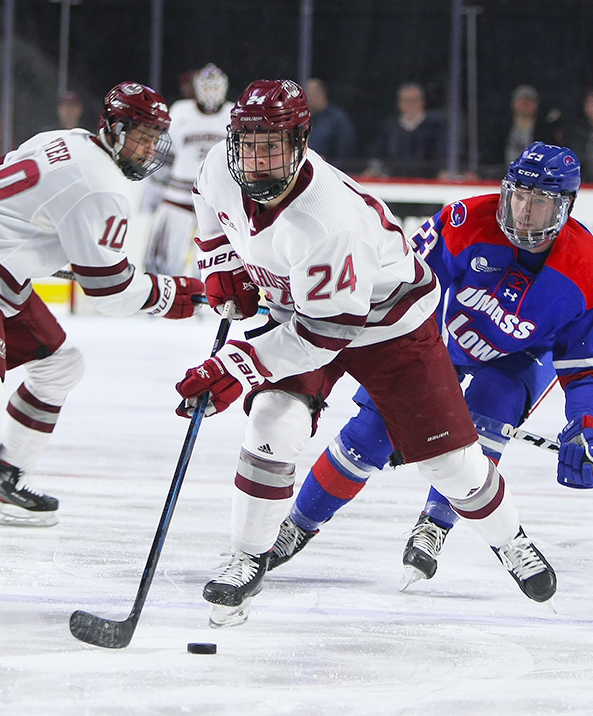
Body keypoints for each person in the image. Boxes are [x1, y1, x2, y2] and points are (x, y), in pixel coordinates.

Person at [176, 80, 557, 627]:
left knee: (450, 464)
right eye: (249, 143)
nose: (257, 160)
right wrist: (220, 265)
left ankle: (509, 540)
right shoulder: (219, 164)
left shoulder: (326, 219)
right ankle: (247, 554)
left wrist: (235, 364)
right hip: (301, 310)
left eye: (274, 145)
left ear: (302, 141)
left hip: (390, 326)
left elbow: (325, 333)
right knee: (272, 418)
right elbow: (209, 208)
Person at [267, 142, 593, 591]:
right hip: (439, 342)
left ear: (565, 207)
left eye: (540, 201)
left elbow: (590, 364)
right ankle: (297, 526)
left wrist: (588, 423)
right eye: (519, 195)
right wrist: (420, 370)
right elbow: (406, 283)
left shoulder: (589, 271)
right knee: (372, 432)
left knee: (487, 415)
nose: (524, 211)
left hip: (521, 358)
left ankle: (436, 522)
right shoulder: (465, 222)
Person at [0, 81, 204, 527]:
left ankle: (4, 483)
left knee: (61, 366)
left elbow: (0, 187)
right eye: (140, 135)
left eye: (154, 138)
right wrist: (178, 294)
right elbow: (112, 294)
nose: (147, 149)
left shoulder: (62, 140)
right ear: (112, 126)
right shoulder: (102, 186)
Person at [142, 63, 234, 276]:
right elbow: (165, 157)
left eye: (215, 88)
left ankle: (206, 298)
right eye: (207, 87)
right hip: (177, 198)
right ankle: (161, 295)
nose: (211, 93)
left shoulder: (233, 114)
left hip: (216, 201)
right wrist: (153, 192)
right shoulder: (180, 111)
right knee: (164, 257)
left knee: (212, 260)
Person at [365, 81, 447, 178]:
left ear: (422, 102)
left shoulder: (436, 126)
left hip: (429, 183)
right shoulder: (390, 128)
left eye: (414, 100)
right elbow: (378, 155)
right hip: (396, 183)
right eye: (406, 100)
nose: (410, 105)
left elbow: (444, 157)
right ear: (400, 104)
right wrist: (373, 170)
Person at [503, 84, 564, 169]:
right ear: (513, 103)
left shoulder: (545, 131)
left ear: (536, 105)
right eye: (522, 101)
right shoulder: (502, 128)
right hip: (502, 176)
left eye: (529, 101)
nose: (525, 105)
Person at [305, 77, 357, 169]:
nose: (308, 102)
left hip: (330, 173)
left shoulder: (337, 119)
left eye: (310, 96)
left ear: (321, 94)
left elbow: (345, 154)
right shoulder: (304, 120)